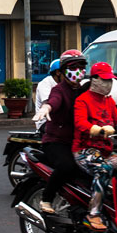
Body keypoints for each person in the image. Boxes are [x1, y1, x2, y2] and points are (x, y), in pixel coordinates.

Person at [33, 50, 88, 215]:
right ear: (63, 70)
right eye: (73, 67)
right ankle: (47, 198)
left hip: (79, 141)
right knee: (67, 166)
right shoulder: (59, 90)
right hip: (56, 141)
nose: (78, 70)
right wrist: (46, 108)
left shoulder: (85, 89)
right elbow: (53, 102)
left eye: (81, 66)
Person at [73, 62, 117, 232]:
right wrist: (98, 130)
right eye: (105, 80)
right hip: (84, 150)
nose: (108, 84)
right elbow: (80, 123)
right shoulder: (83, 100)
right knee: (103, 169)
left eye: (111, 80)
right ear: (94, 79)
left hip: (105, 150)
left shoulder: (108, 101)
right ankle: (93, 214)